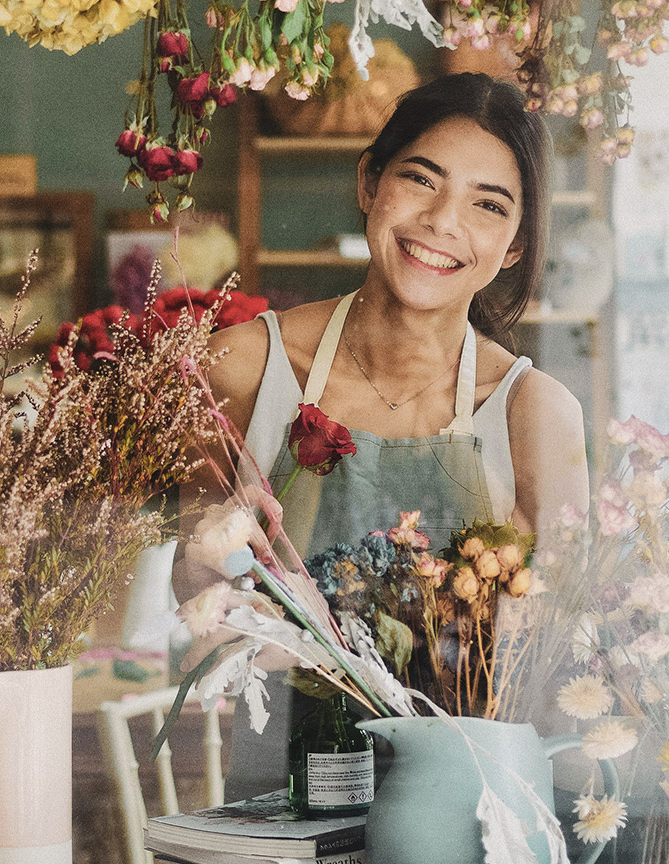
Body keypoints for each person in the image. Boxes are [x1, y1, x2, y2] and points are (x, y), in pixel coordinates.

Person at [174, 72, 591, 801]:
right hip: (285, 789)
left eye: (487, 205)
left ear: (516, 245)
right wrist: (234, 583)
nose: (442, 221)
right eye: (421, 180)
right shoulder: (245, 366)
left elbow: (560, 660)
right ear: (370, 182)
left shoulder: (533, 413)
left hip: (465, 799)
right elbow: (192, 582)